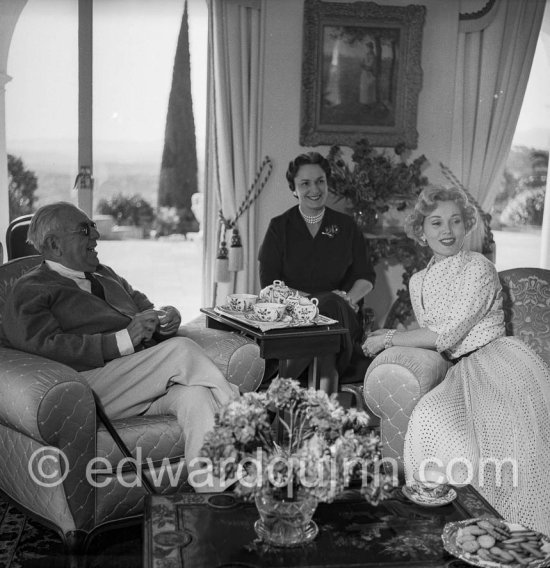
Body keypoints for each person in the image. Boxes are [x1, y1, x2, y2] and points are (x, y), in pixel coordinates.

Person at [1, 202, 239, 492]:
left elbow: (144, 307)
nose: (96, 237)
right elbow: (42, 345)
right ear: (54, 244)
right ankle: (246, 418)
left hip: (138, 381)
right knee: (182, 350)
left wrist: (165, 317)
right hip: (85, 389)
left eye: (94, 228)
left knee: (196, 395)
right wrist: (124, 339)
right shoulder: (30, 288)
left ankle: (214, 494)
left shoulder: (105, 274)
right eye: (85, 230)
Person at [362, 185, 550, 535]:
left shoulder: (480, 268)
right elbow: (433, 338)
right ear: (421, 231)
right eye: (436, 223)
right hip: (460, 371)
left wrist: (388, 337)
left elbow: (448, 332)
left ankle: (512, 531)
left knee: (504, 431)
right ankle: (446, 526)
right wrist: (397, 340)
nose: (446, 231)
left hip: (499, 363)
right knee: (432, 418)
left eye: (455, 222)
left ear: (466, 227)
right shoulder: (418, 282)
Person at [258, 151, 376, 393]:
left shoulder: (346, 226)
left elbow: (366, 276)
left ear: (327, 183)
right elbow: (269, 284)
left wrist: (348, 298)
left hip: (342, 317)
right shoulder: (279, 227)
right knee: (328, 318)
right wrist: (312, 303)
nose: (315, 189)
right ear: (294, 189)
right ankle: (324, 416)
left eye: (320, 181)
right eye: (305, 183)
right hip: (293, 320)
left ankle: (276, 392)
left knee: (333, 306)